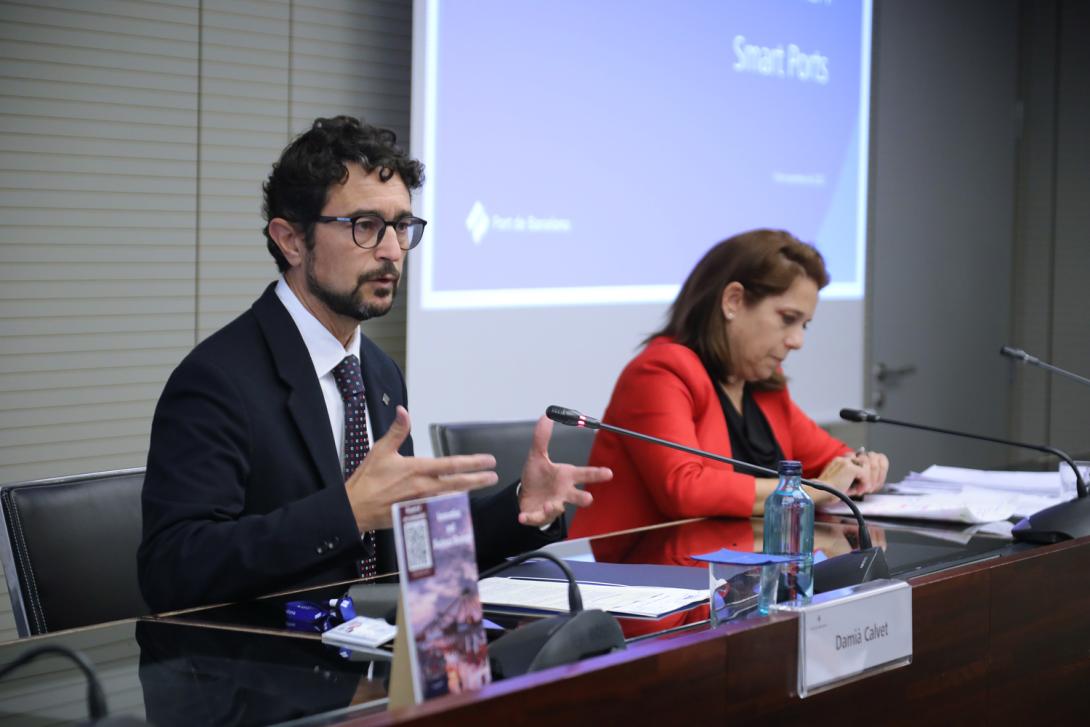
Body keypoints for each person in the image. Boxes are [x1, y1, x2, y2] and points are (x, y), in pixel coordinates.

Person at [138, 116, 611, 612]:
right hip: (259, 672)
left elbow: (408, 544)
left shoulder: (378, 373)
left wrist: (520, 507)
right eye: (365, 226)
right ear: (291, 240)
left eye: (402, 226)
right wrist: (347, 513)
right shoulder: (217, 380)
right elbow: (172, 569)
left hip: (371, 664)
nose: (391, 252)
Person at [568, 229, 887, 538]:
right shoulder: (660, 371)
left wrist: (860, 466)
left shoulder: (764, 387)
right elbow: (684, 490)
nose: (797, 341)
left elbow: (830, 458)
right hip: (629, 578)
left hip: (736, 576)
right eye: (787, 318)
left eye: (805, 324)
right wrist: (808, 491)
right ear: (733, 300)